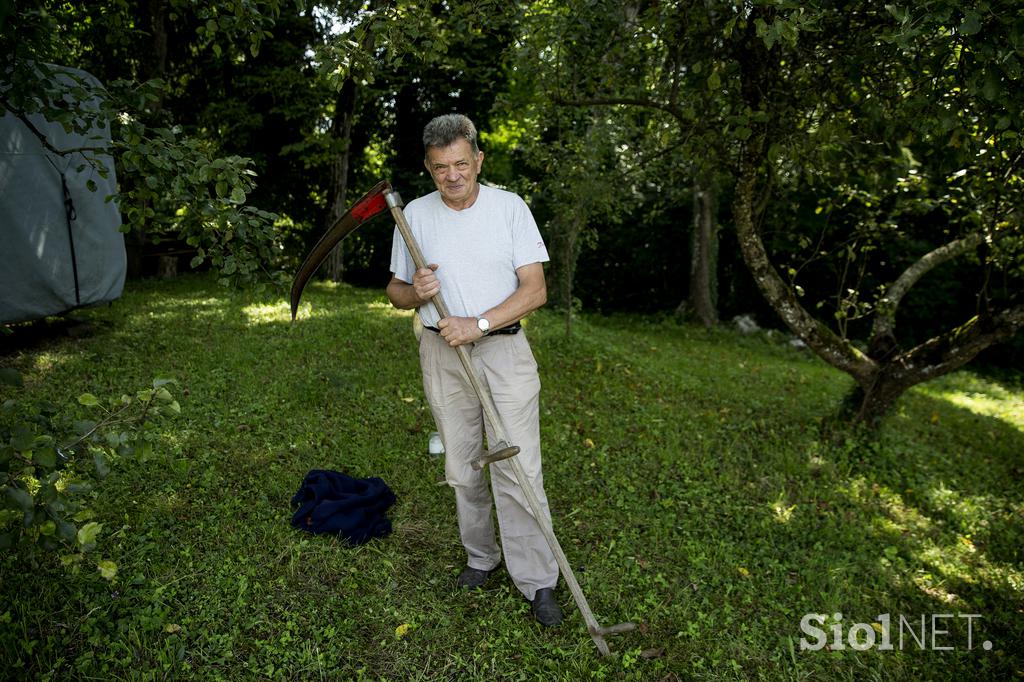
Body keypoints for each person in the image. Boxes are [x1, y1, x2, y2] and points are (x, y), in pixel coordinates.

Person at [386, 113, 562, 626]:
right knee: (463, 465)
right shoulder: (413, 215)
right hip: (442, 354)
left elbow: (535, 290)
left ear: (478, 160)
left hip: (503, 351)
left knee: (518, 467)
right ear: (428, 167)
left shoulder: (510, 209)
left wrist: (479, 322)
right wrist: (413, 293)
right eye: (441, 167)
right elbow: (394, 292)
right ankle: (481, 557)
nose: (453, 176)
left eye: (462, 163)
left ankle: (538, 580)